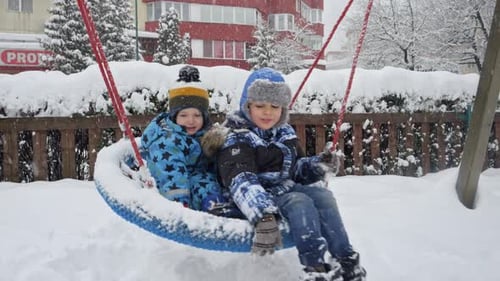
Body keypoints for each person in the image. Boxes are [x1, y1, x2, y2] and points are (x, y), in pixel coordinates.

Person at [202, 68, 366, 281]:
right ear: (247, 106)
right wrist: (263, 213)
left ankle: (346, 260)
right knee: (300, 201)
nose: (267, 112)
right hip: (251, 199)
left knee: (324, 197)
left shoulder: (284, 134)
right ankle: (315, 267)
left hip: (282, 189)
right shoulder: (237, 138)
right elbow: (241, 180)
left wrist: (317, 165)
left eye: (275, 106)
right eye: (260, 106)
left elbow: (295, 169)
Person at [140, 65, 238, 216]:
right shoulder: (167, 141)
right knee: (201, 184)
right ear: (174, 116)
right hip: (173, 183)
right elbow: (171, 171)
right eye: (183, 115)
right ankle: (212, 206)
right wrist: (180, 205)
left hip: (197, 177)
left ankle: (222, 205)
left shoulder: (203, 134)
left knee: (209, 181)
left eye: (197, 115)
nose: (191, 121)